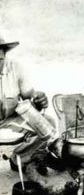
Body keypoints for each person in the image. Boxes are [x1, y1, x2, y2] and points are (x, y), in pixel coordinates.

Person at [0, 35, 61, 168]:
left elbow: (29, 97)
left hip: (11, 122)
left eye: (0, 58)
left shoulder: (16, 67)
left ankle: (19, 159)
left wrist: (38, 100)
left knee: (48, 123)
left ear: (4, 53)